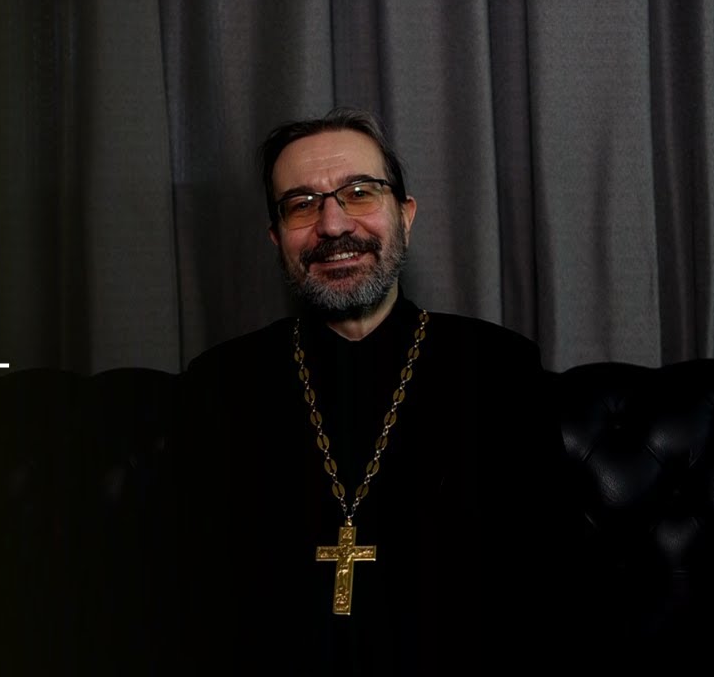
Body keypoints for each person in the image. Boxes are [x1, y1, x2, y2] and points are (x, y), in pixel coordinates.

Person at [170, 107, 575, 674]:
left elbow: (552, 598)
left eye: (359, 193)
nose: (333, 226)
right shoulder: (219, 385)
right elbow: (190, 610)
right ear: (276, 237)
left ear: (405, 216)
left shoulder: (500, 369)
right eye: (302, 204)